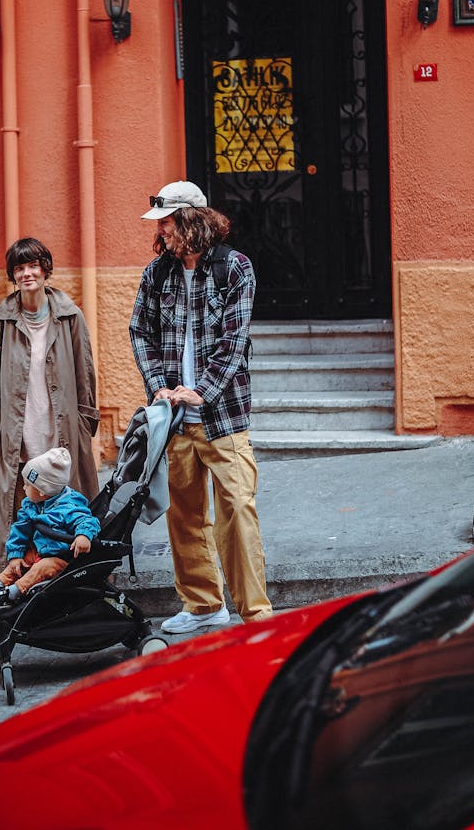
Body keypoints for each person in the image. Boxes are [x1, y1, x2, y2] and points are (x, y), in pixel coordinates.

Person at [129, 180, 272, 634]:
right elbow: (140, 332)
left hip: (223, 416)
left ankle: (255, 615)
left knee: (237, 513)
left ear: (191, 221)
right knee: (184, 516)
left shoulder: (235, 269)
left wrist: (201, 391)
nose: (163, 231)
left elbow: (234, 341)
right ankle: (204, 605)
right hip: (173, 420)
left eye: (168, 222)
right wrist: (158, 387)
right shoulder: (157, 273)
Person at [0, 237, 100, 572]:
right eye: (19, 268)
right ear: (13, 276)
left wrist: (86, 422)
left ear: (45, 271)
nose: (27, 273)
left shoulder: (70, 316)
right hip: (17, 430)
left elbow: (85, 372)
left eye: (33, 266)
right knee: (21, 502)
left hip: (62, 427)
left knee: (67, 500)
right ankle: (22, 577)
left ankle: (73, 574)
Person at [0, 446, 101, 610]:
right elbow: (20, 530)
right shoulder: (31, 504)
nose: (24, 488)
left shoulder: (70, 506)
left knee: (42, 568)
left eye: (27, 485)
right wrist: (15, 555)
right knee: (20, 561)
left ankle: (13, 592)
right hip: (40, 550)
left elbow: (88, 521)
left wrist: (83, 536)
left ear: (41, 491)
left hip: (63, 559)